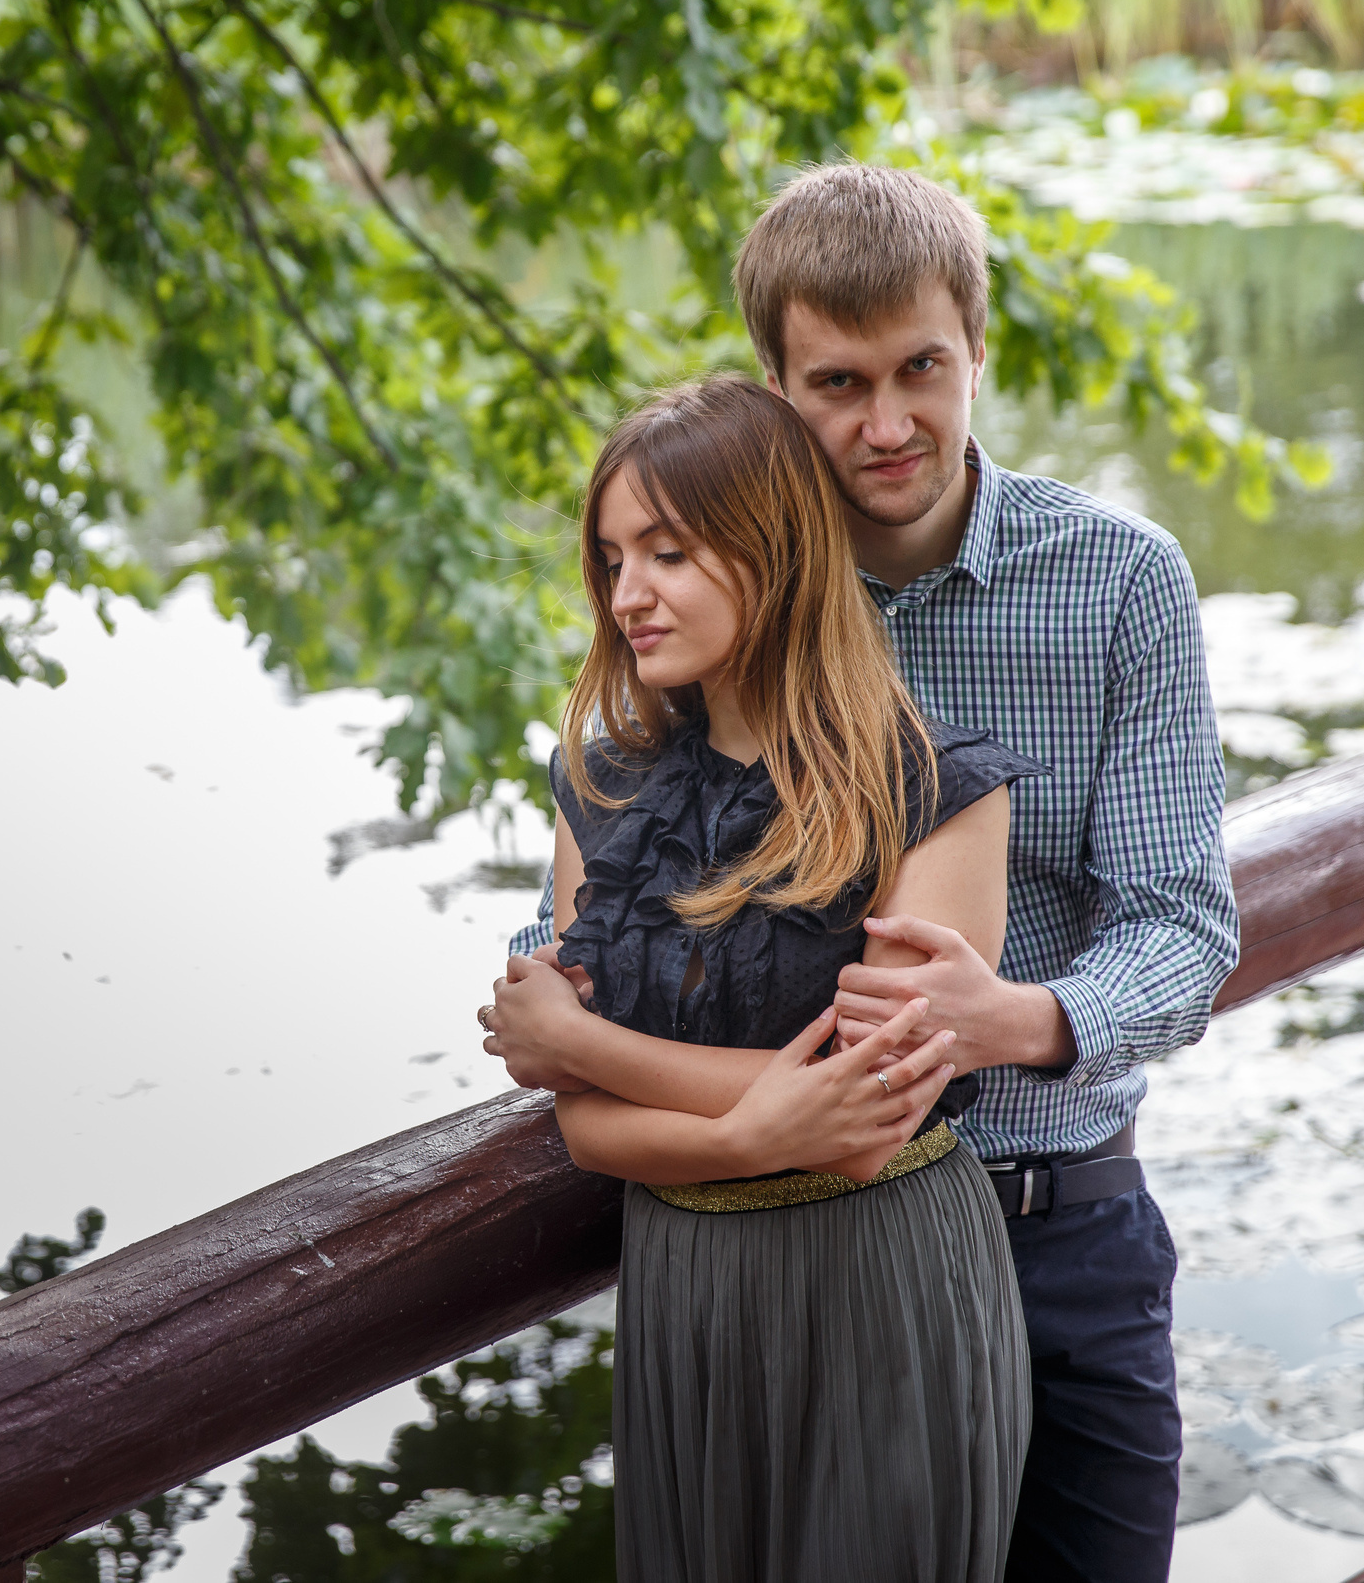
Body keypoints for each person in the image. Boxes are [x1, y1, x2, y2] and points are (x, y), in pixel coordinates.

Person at [495, 164, 1237, 1581]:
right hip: (802, 1262)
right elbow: (599, 918)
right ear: (776, 388)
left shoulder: (1121, 581)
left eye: (922, 368)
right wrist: (577, 1007)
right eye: (838, 383)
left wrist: (1009, 1016)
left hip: (1064, 1212)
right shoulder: (714, 579)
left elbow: (1182, 925)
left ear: (977, 351)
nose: (888, 423)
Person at [485, 372, 1045, 1578]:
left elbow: (862, 1122)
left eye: (670, 553)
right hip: (684, 1282)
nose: (628, 594)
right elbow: (588, 1136)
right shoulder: (601, 786)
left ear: (773, 549)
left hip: (875, 1282)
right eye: (612, 558)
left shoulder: (938, 791)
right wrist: (747, 1130)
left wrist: (585, 1048)